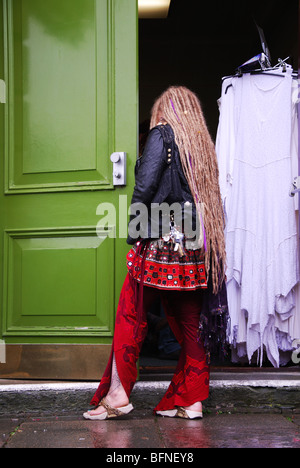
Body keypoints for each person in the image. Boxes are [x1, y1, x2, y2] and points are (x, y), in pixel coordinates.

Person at [83, 86, 228, 421]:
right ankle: (193, 401)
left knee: (131, 314)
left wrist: (135, 231)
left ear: (165, 111)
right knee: (191, 323)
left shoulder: (161, 134)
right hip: (191, 244)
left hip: (160, 240)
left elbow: (146, 185)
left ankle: (118, 395)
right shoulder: (201, 146)